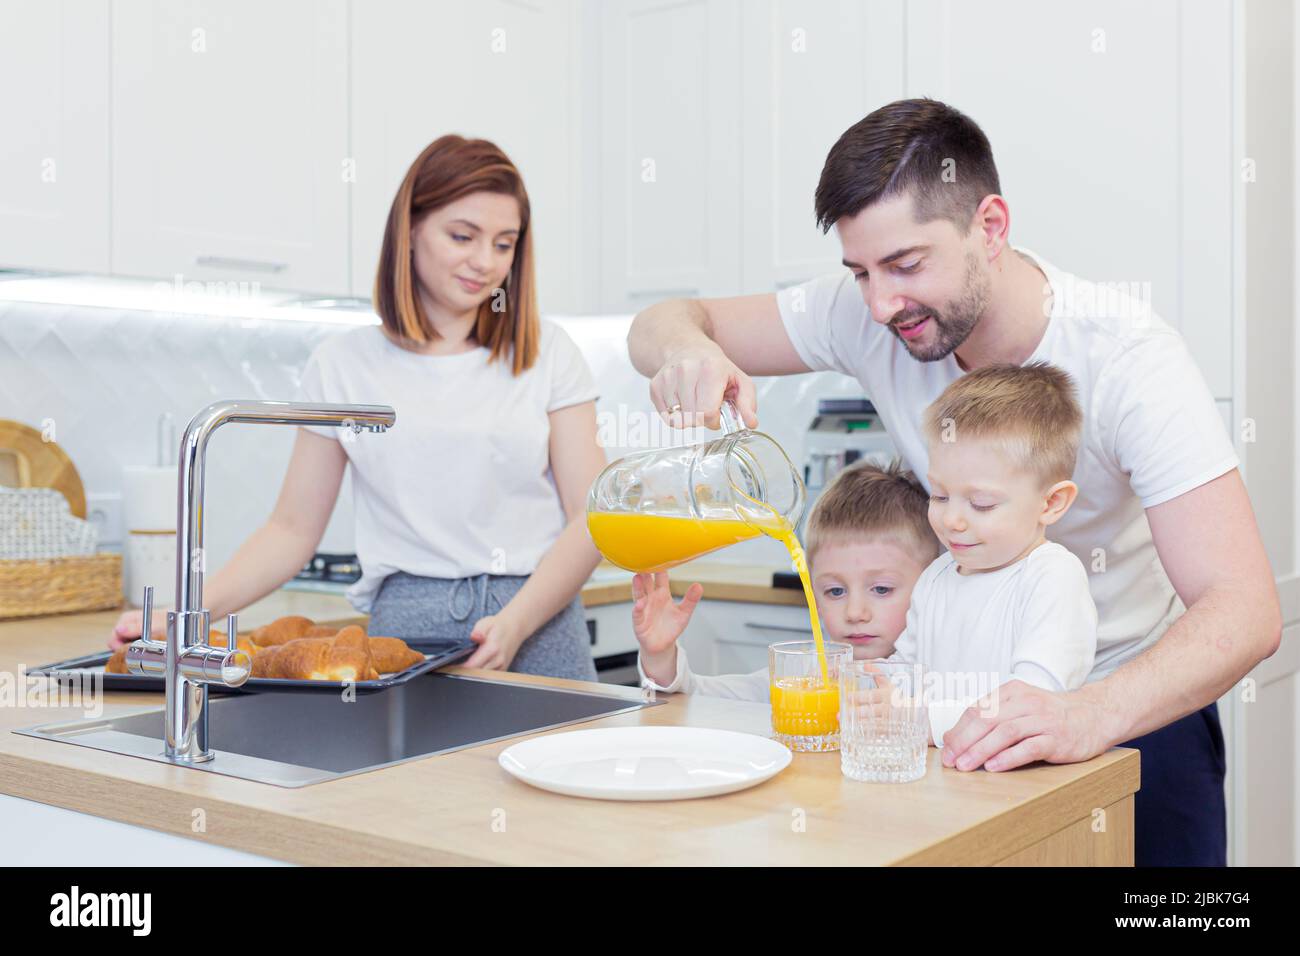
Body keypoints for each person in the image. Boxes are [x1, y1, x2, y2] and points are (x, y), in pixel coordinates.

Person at [626, 98, 1281, 866]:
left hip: (1129, 712)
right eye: (859, 271)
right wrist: (684, 350)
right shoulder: (869, 313)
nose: (880, 303)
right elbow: (668, 320)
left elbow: (1244, 611)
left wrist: (1082, 715)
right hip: (952, 727)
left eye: (905, 264)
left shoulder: (1129, 360)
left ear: (991, 228)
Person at [112, 135, 606, 681]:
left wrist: (516, 621)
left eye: (504, 244)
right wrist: (184, 615)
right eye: (463, 236)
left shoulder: (547, 353)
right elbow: (291, 530)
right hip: (404, 626)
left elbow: (593, 514)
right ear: (410, 230)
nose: (484, 262)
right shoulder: (344, 365)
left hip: (537, 616)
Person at [886, 362, 1097, 747]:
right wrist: (868, 692)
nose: (952, 519)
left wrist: (916, 718)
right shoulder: (938, 575)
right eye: (940, 495)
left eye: (981, 504)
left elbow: (1030, 704)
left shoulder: (1052, 577)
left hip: (1022, 785)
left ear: (1051, 502)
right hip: (949, 774)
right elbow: (907, 670)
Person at [633, 460, 940, 697]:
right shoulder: (806, 676)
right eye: (835, 591)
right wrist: (660, 656)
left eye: (881, 589)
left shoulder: (938, 682)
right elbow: (700, 699)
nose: (855, 613)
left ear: (931, 587)